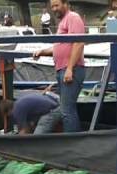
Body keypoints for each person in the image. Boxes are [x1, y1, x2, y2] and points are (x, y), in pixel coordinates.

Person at [33, 0, 85, 132]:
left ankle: (72, 144)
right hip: (62, 70)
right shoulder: (63, 22)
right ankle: (70, 142)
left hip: (71, 69)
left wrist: (69, 68)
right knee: (65, 109)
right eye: (52, 7)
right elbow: (60, 46)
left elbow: (78, 43)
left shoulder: (73, 17)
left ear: (65, 4)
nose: (54, 9)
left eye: (57, 5)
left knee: (67, 110)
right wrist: (43, 51)